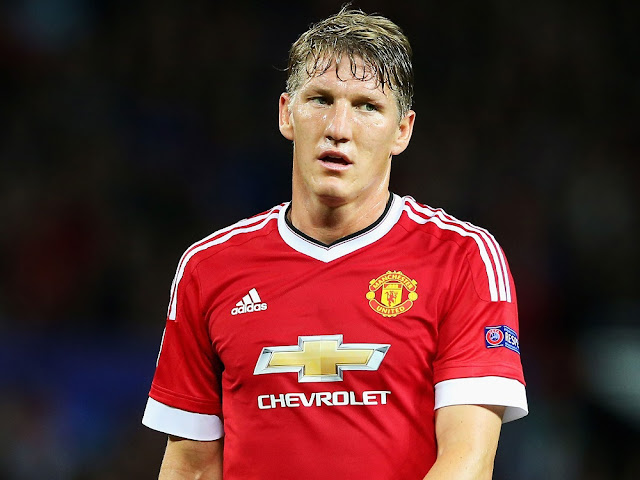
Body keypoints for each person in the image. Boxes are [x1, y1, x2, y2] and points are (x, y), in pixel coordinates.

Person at [142, 7, 528, 480]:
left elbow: (468, 460)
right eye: (321, 99)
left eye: (367, 106)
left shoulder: (462, 258)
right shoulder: (209, 267)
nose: (338, 129)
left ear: (402, 131)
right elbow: (192, 467)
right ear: (286, 114)